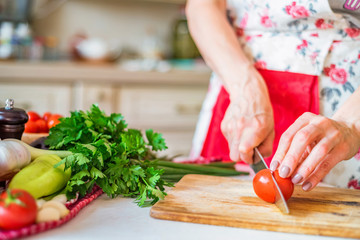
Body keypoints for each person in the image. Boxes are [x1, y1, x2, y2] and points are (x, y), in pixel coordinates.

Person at [186, 0, 360, 191]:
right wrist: (244, 86)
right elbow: (201, 5)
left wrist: (350, 124)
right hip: (238, 89)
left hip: (346, 100)